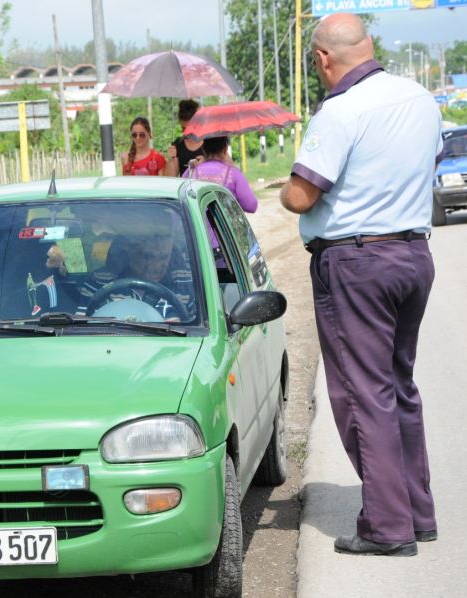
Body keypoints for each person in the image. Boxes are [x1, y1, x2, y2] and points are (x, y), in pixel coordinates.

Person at [279, 13, 442, 557]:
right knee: (399, 388)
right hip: (412, 254)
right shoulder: (419, 97)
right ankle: (418, 513)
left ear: (323, 59)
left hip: (356, 264)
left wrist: (288, 187)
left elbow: (302, 196)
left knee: (360, 395)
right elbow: (424, 161)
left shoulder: (339, 112)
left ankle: (387, 527)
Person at [78, 227, 194, 321]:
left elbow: (200, 332)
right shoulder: (99, 281)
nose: (155, 266)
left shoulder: (185, 282)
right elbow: (80, 328)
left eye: (163, 257)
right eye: (147, 256)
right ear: (131, 254)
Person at [183, 136, 258, 214]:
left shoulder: (192, 171)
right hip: (224, 225)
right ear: (225, 149)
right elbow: (251, 206)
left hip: (196, 225)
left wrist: (192, 167)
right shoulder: (232, 173)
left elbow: (181, 197)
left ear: (203, 150)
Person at [164, 99, 205, 177]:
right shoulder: (178, 144)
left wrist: (206, 163)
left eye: (191, 128)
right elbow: (170, 178)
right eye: (183, 128)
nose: (187, 133)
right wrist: (171, 159)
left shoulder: (210, 141)